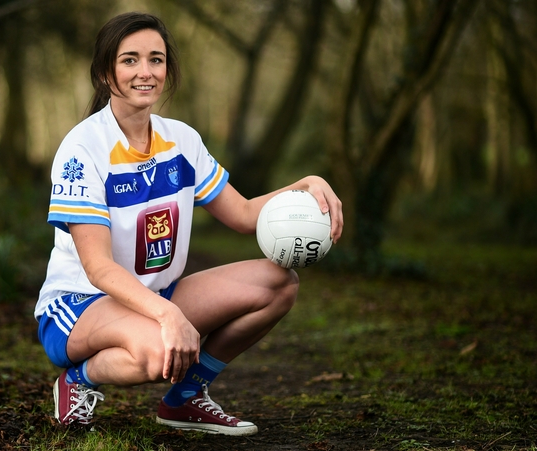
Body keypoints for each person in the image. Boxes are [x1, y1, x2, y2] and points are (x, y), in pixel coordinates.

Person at [34, 11, 343, 436]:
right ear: (106, 73)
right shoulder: (82, 149)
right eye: (130, 60)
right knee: (160, 349)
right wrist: (168, 316)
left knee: (278, 283)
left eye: (156, 60)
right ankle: (77, 381)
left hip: (154, 294)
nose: (146, 72)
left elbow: (244, 215)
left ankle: (185, 399)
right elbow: (98, 268)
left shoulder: (182, 140)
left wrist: (306, 185)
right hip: (78, 305)